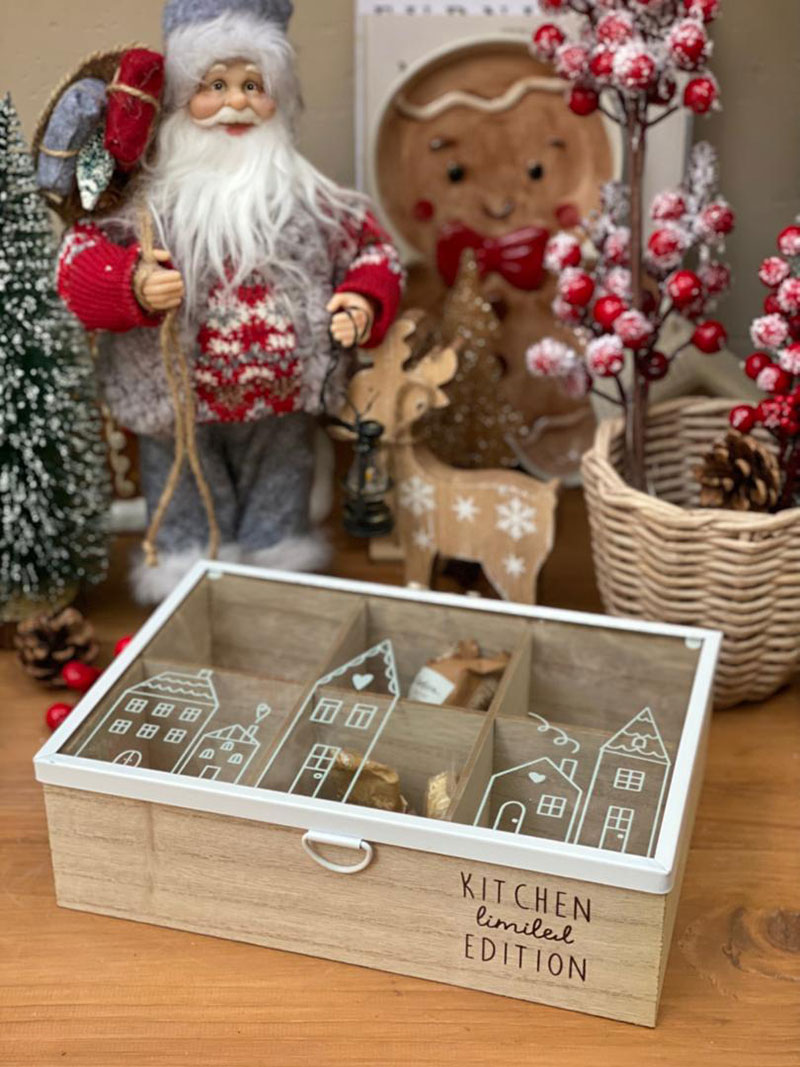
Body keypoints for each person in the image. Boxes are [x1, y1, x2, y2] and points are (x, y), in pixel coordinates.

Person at [56, 0, 404, 602]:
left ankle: (277, 589)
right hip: (174, 407)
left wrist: (362, 300)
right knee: (187, 511)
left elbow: (374, 253)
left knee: (281, 499)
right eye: (215, 85)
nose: (236, 103)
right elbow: (76, 263)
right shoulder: (142, 207)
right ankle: (189, 596)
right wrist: (131, 285)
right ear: (181, 97)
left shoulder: (315, 204)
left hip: (285, 405)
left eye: (254, 86)